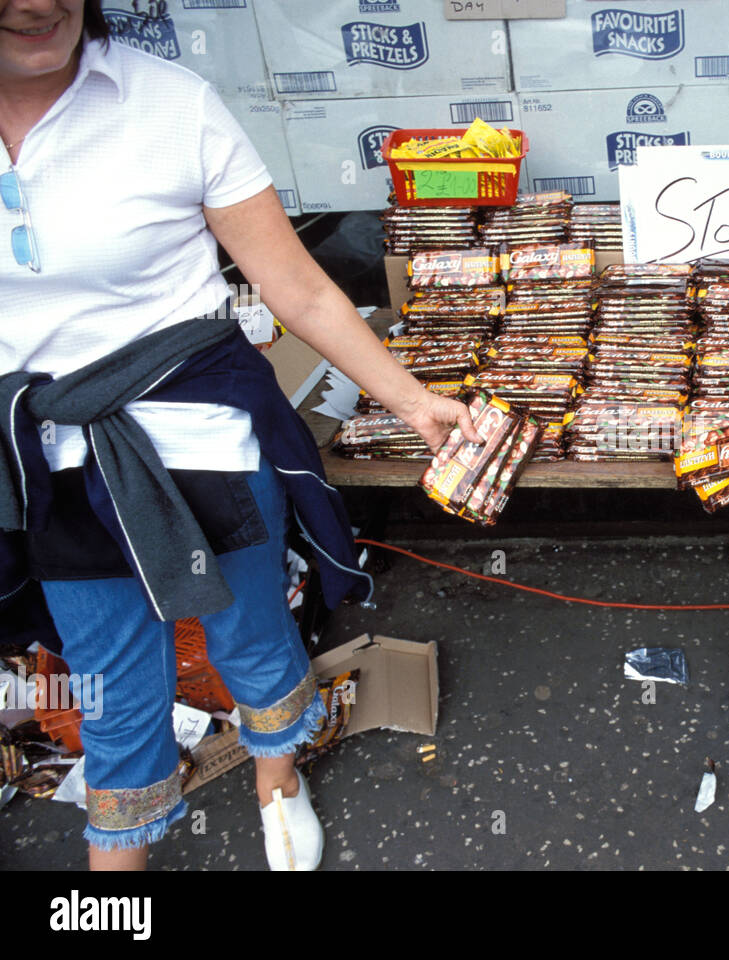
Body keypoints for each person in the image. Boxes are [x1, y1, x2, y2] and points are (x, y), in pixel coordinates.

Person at [0, 0, 480, 870]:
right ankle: (115, 875)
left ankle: (276, 771)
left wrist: (411, 402)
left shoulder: (169, 102)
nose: (40, 5)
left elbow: (300, 291)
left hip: (201, 435)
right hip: (55, 456)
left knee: (250, 624)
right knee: (105, 680)